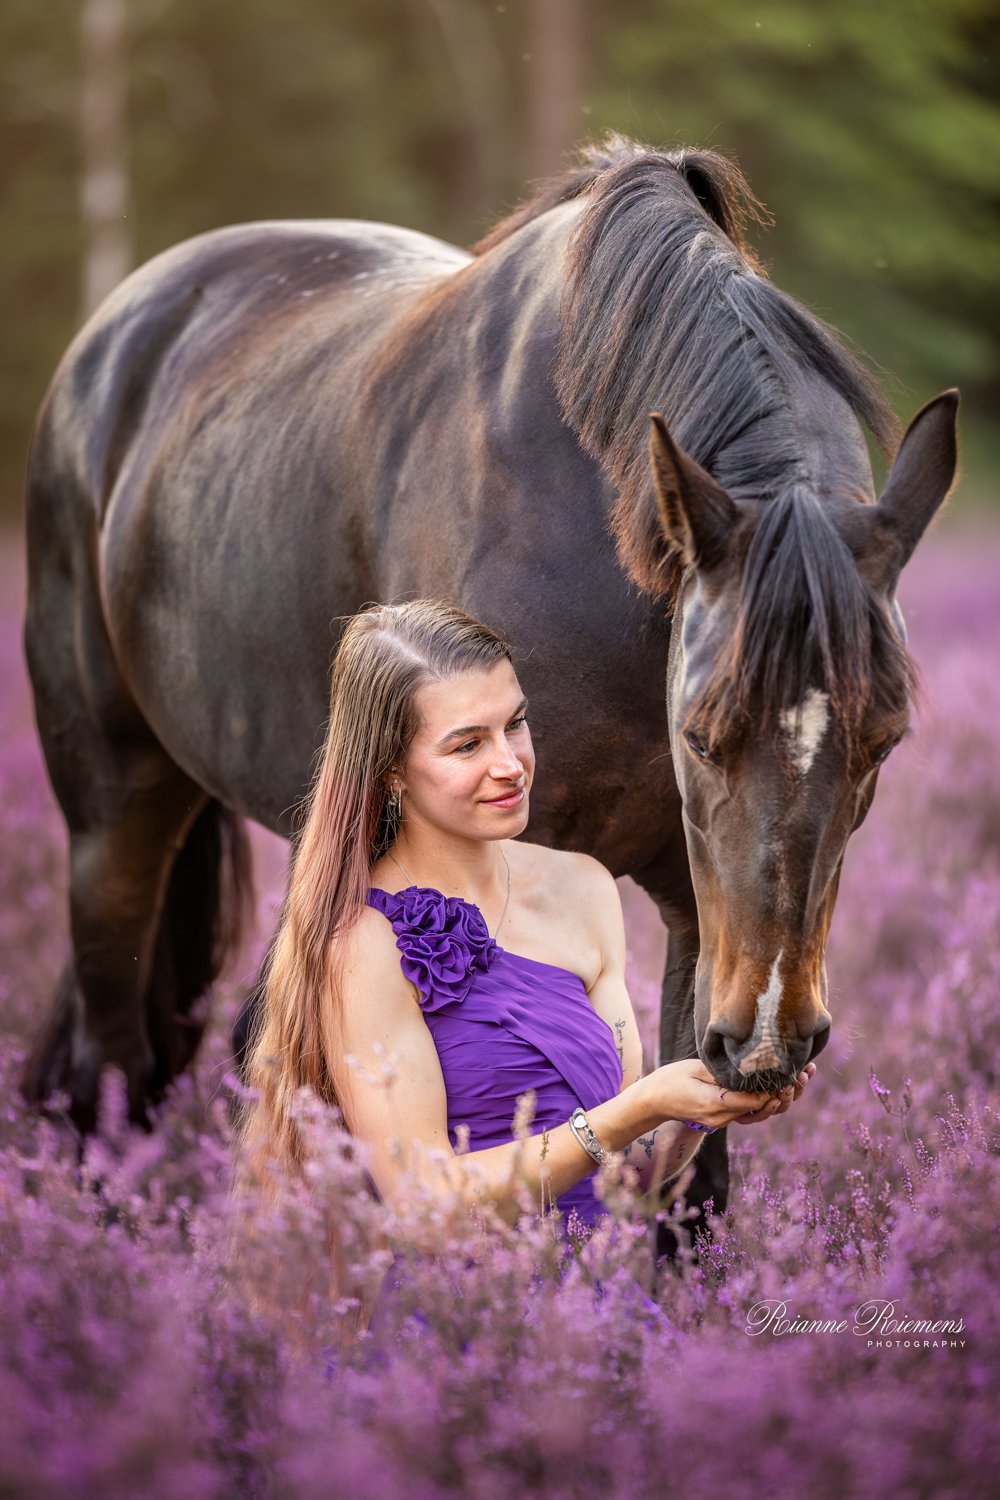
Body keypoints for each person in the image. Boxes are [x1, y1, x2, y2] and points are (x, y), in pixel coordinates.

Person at [237, 599, 815, 1329]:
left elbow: (624, 1182)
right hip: (460, 1337)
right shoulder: (362, 942)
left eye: (514, 723)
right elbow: (426, 1208)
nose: (510, 764)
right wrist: (635, 1109)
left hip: (603, 1319)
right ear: (390, 772)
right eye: (466, 744)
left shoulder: (583, 889)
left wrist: (698, 1108)